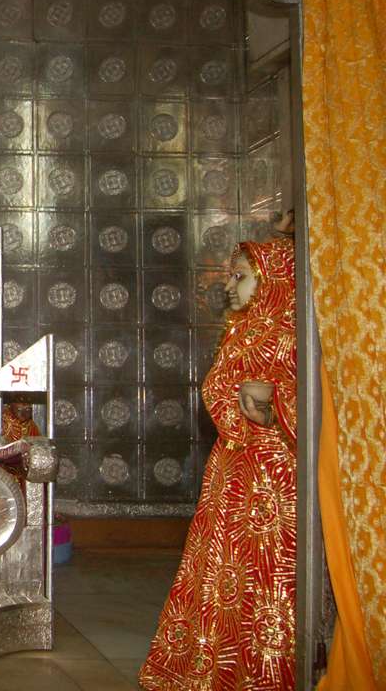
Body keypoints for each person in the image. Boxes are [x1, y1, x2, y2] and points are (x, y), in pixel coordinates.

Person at [140, 237, 297, 690]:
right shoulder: (244, 330)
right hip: (231, 472)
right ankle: (212, 670)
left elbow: (317, 407)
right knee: (225, 575)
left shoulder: (291, 337)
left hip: (271, 482)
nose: (229, 286)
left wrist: (275, 404)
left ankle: (265, 675)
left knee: (264, 577)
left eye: (241, 276)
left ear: (273, 281)